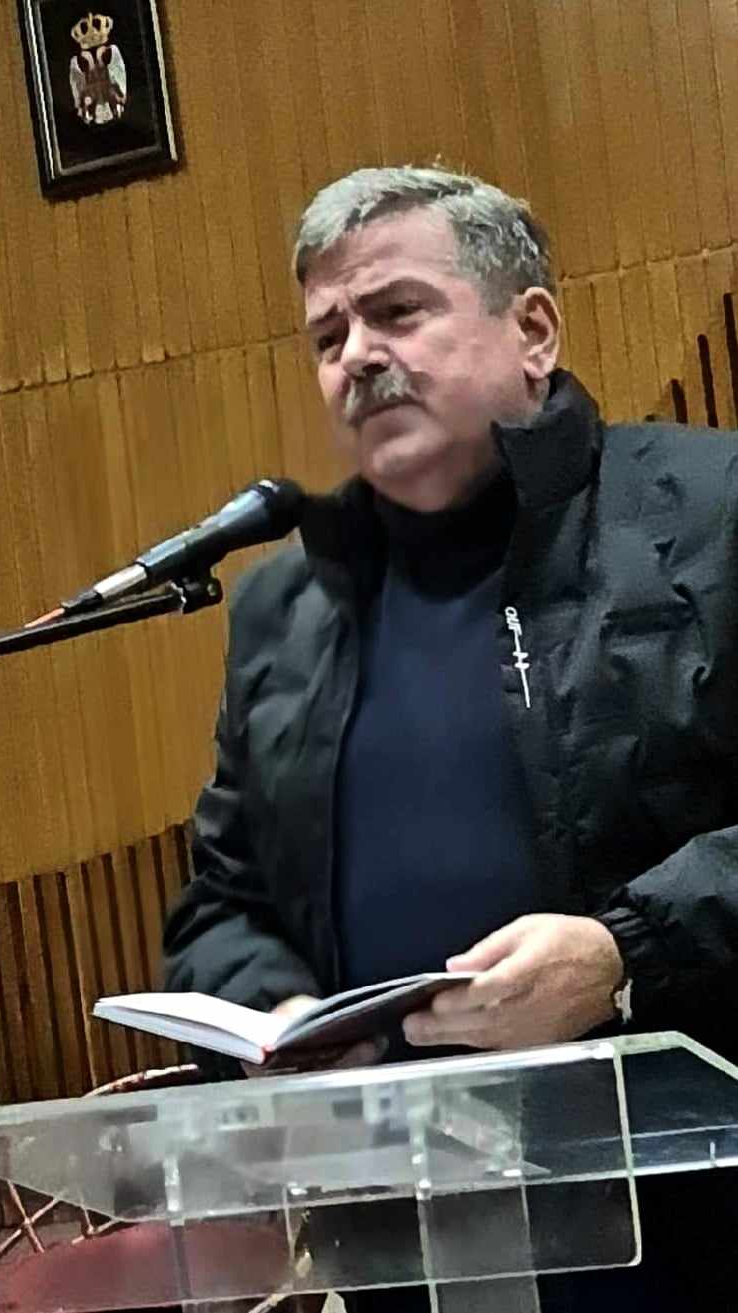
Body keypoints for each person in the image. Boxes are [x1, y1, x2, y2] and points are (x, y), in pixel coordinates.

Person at [163, 167, 738, 1310]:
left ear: (534, 331)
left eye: (398, 311)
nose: (358, 356)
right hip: (408, 1242)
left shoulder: (715, 513)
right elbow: (224, 902)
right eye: (328, 335)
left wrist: (625, 953)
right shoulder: (286, 609)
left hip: (700, 1217)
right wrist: (272, 1016)